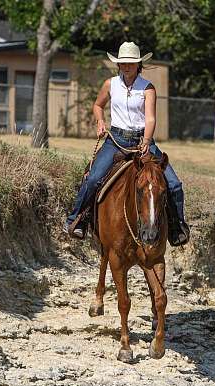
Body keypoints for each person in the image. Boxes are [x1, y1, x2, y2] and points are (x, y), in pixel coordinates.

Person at [63, 42, 189, 246]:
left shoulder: (147, 88)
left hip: (143, 141)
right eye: (123, 63)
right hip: (116, 140)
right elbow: (97, 105)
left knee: (173, 184)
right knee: (94, 177)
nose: (126, 66)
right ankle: (77, 220)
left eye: (131, 63)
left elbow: (150, 119)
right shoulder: (110, 84)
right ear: (118, 64)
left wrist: (147, 141)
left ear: (138, 64)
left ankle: (176, 227)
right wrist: (100, 120)